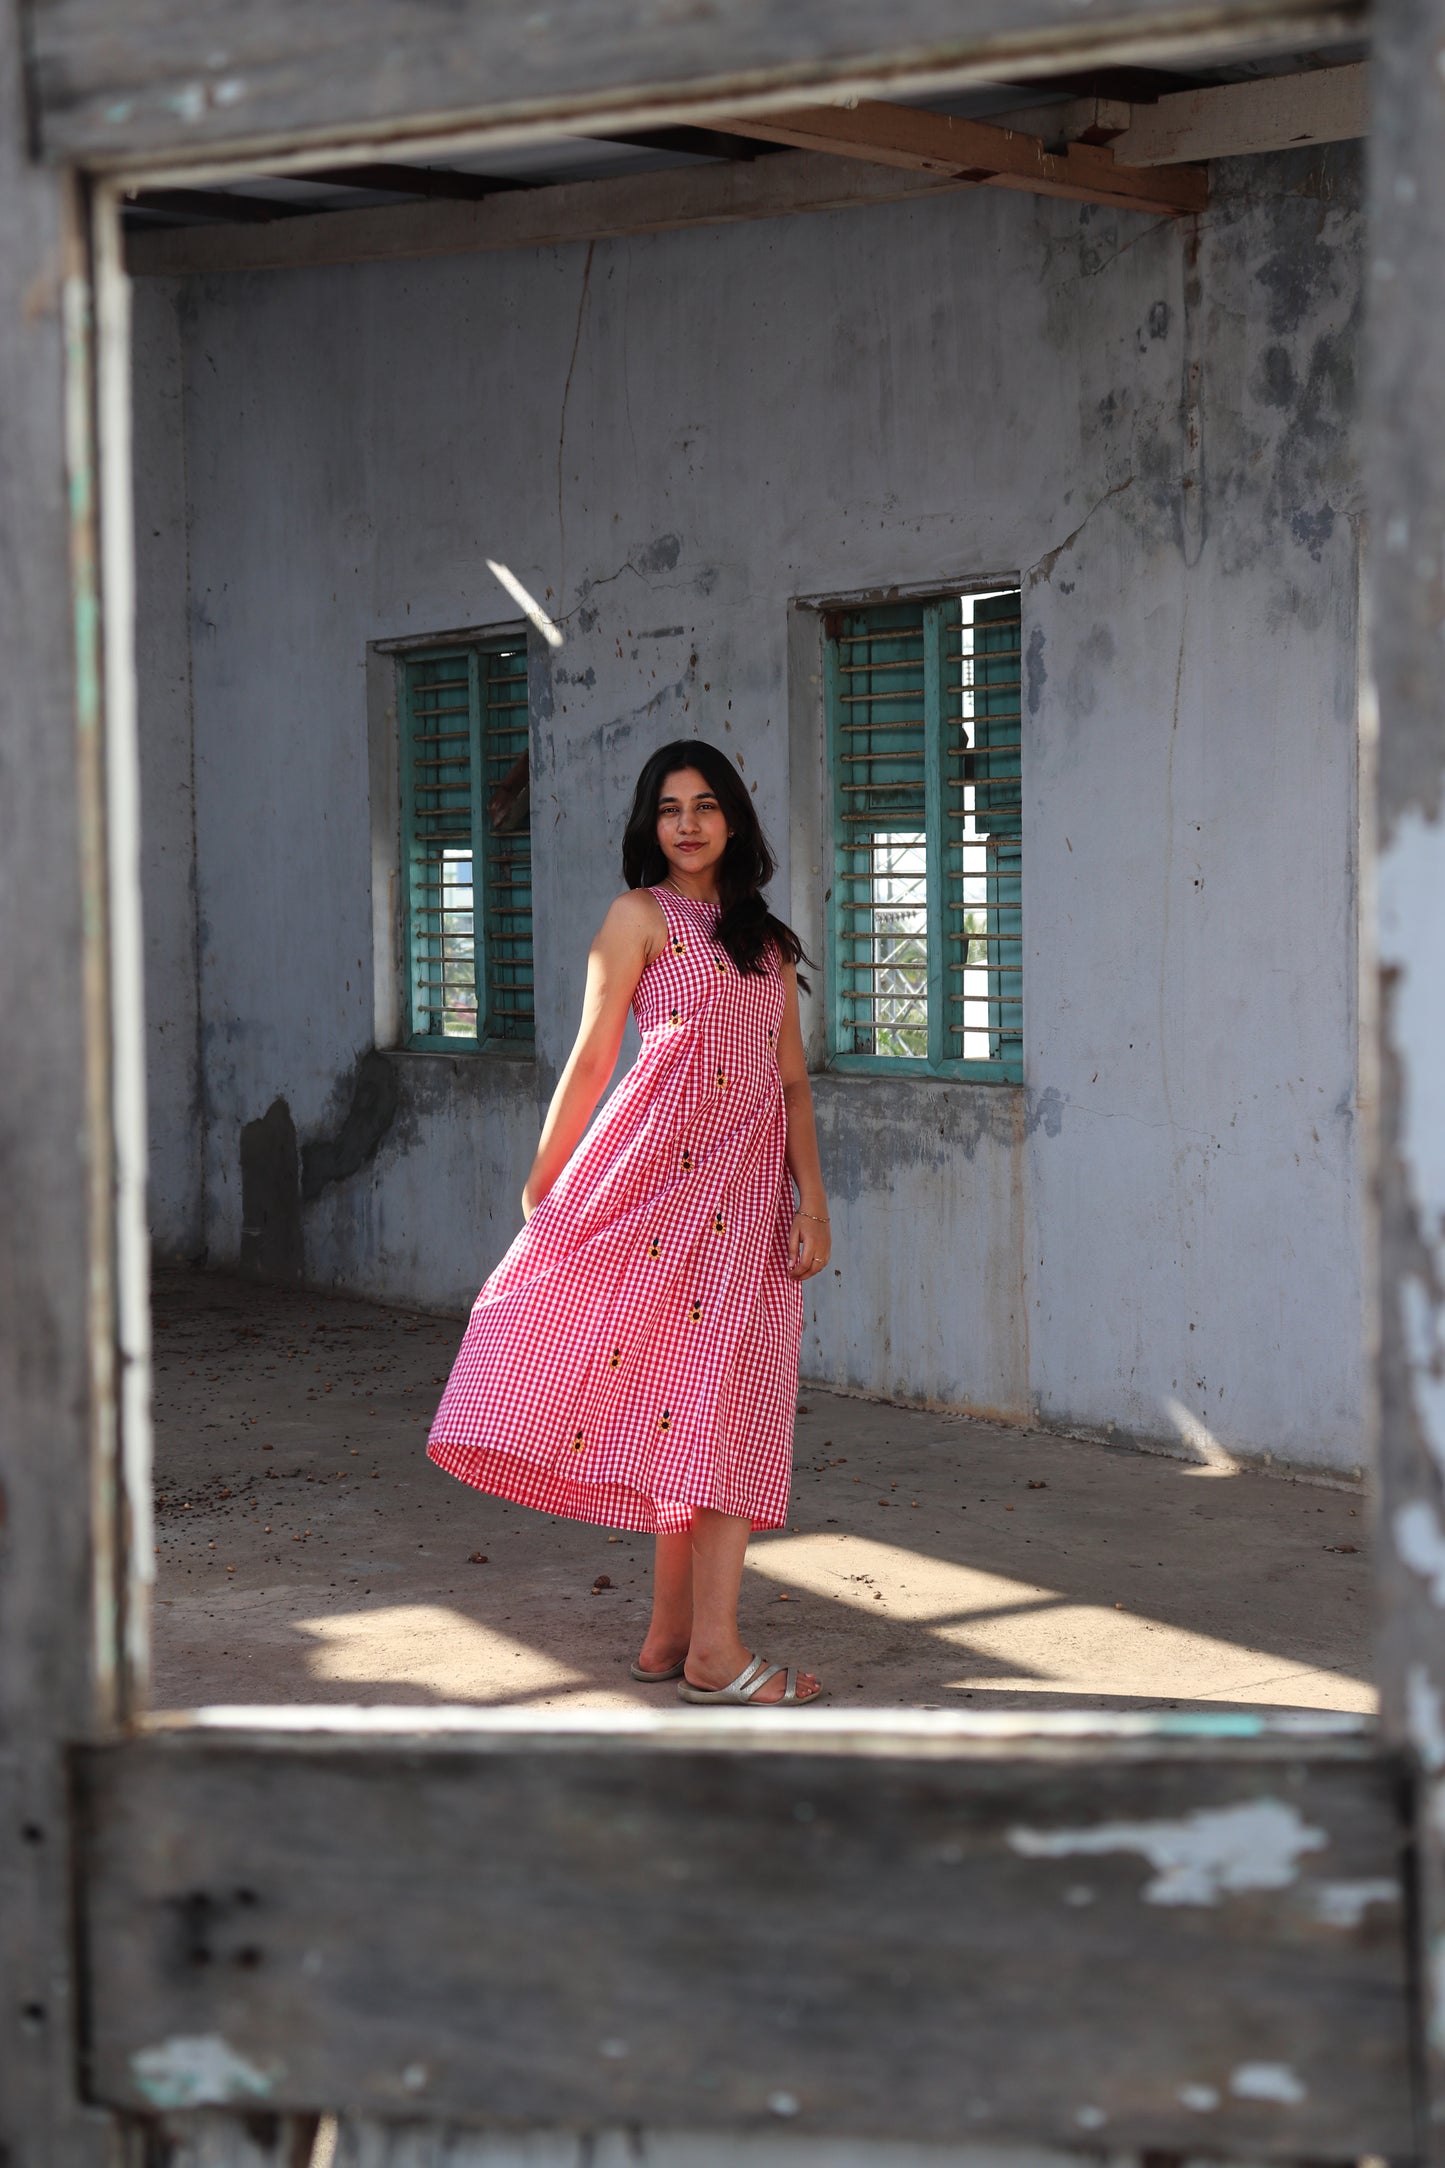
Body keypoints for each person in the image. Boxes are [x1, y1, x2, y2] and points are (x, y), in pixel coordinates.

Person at [427, 739, 830, 1705]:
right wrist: (544, 1183)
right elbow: (593, 1054)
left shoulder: (765, 941)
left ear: (733, 818)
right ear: (650, 825)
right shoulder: (638, 917)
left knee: (704, 1407)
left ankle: (669, 1638)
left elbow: (789, 1083)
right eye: (668, 808)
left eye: (705, 805)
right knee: (709, 1410)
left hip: (746, 1206)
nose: (687, 824)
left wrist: (812, 1199)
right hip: (655, 1189)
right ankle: (715, 1656)